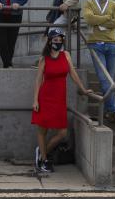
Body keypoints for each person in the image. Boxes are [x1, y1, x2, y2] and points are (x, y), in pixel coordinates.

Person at [31, 28, 92, 173]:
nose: (58, 42)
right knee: (42, 130)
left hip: (59, 99)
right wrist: (35, 100)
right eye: (55, 40)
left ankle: (42, 152)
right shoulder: (43, 59)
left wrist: (83, 89)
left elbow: (73, 73)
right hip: (45, 98)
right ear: (50, 41)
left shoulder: (66, 55)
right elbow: (38, 80)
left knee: (62, 133)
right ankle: (44, 160)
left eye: (60, 40)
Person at [82, 0, 115, 124]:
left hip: (112, 45)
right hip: (95, 45)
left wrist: (98, 20)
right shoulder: (89, 3)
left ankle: (109, 110)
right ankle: (114, 110)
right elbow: (88, 18)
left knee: (109, 80)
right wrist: (107, 18)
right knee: (103, 79)